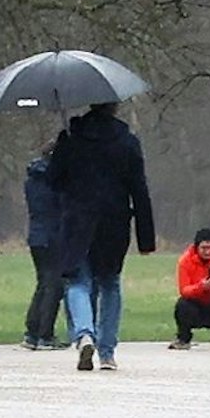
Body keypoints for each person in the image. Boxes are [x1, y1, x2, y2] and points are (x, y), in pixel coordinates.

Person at [47, 101, 156, 372]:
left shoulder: (72, 139)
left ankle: (84, 334)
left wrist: (60, 153)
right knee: (110, 283)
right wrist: (146, 237)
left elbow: (53, 180)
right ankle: (107, 352)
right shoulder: (128, 143)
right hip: (114, 221)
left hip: (78, 221)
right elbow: (139, 189)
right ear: (115, 107)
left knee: (77, 281)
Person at [21, 142, 69, 350]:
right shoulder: (56, 181)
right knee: (54, 284)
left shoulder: (33, 179)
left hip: (37, 235)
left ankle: (32, 331)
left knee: (43, 282)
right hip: (53, 235)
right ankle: (45, 334)